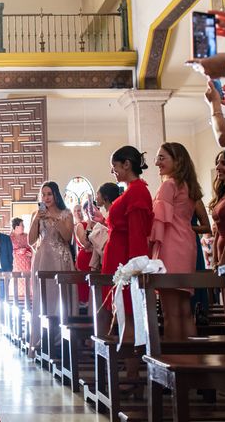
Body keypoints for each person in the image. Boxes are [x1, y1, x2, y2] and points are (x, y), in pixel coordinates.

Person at [101, 145, 153, 384]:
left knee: (129, 314)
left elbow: (137, 233)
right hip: (117, 258)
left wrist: (133, 267)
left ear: (126, 165)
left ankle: (133, 373)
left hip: (126, 260)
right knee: (123, 314)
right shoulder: (130, 191)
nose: (114, 173)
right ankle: (128, 369)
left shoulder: (137, 192)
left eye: (115, 168)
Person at [149, 142, 201, 340]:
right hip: (187, 245)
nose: (157, 163)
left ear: (177, 160)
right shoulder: (188, 186)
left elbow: (159, 222)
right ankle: (192, 363)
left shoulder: (169, 184)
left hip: (170, 246)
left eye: (162, 158)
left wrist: (150, 251)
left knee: (170, 314)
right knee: (185, 312)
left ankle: (174, 365)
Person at [28, 181, 74, 356]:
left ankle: (60, 340)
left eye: (49, 194)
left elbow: (68, 237)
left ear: (56, 195)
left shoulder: (66, 214)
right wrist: (36, 220)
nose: (46, 198)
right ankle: (42, 340)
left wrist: (54, 220)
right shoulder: (37, 214)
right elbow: (31, 241)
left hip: (61, 259)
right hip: (42, 259)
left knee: (61, 300)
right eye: (43, 194)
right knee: (43, 300)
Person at [210, 149, 225, 323]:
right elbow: (217, 231)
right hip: (221, 252)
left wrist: (223, 259)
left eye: (224, 163)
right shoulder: (223, 194)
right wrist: (215, 258)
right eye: (217, 162)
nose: (218, 166)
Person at [73, 202, 93, 309]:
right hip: (85, 257)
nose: (78, 213)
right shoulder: (81, 226)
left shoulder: (93, 223)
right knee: (85, 285)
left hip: (94, 257)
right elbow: (85, 244)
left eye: (79, 210)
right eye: (75, 211)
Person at [10, 217, 32, 297]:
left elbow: (34, 248)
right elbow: (6, 252)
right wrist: (18, 251)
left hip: (28, 266)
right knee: (18, 291)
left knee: (29, 290)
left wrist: (31, 253)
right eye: (22, 225)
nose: (24, 227)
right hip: (16, 267)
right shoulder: (9, 238)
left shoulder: (27, 236)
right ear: (16, 227)